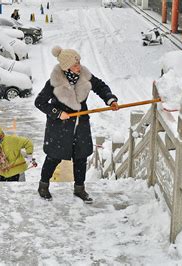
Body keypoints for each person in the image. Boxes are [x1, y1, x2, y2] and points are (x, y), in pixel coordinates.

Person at [34, 46, 119, 203]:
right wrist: (58, 113)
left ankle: (80, 188)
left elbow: (100, 86)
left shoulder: (85, 75)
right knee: (53, 157)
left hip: (80, 124)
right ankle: (43, 185)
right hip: (59, 126)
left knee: (81, 158)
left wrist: (110, 99)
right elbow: (39, 102)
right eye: (75, 65)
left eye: (79, 63)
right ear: (66, 67)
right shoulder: (54, 82)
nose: (78, 67)